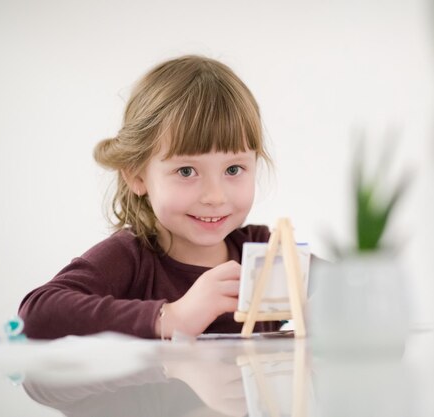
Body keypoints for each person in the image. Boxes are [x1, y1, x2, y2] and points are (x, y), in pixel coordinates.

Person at [18, 55, 281, 339]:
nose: (215, 196)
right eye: (186, 171)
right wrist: (171, 317)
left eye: (233, 168)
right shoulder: (131, 258)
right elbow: (37, 312)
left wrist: (326, 308)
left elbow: (335, 287)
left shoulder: (265, 252)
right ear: (137, 176)